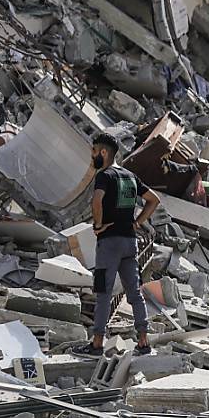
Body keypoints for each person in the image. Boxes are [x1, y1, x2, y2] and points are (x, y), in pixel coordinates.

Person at [74, 133, 161, 358]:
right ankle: (143, 341)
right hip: (130, 243)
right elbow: (154, 200)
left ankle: (97, 344)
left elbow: (97, 201)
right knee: (135, 292)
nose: (92, 156)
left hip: (109, 243)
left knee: (103, 292)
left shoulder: (105, 176)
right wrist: (137, 222)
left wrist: (98, 225)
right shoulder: (130, 176)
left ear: (104, 153)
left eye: (94, 151)